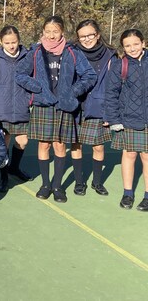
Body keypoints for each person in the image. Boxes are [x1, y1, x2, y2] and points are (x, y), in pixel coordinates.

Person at [16, 16, 96, 203]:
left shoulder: (72, 52)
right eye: (48, 31)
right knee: (44, 145)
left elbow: (89, 75)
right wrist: (37, 88)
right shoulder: (35, 51)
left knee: (60, 146)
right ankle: (45, 184)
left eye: (56, 31)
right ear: (43, 32)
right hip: (43, 104)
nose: (52, 35)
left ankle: (58, 186)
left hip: (64, 106)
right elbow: (20, 74)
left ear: (62, 33)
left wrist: (73, 92)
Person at [0, 26, 32, 192]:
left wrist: (29, 99)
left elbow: (34, 79)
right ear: (0, 42)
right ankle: (3, 176)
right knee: (3, 144)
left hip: (21, 108)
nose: (11, 46)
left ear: (19, 40)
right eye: (7, 43)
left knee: (23, 141)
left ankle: (14, 168)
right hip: (1, 110)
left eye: (14, 42)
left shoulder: (28, 56)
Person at [71, 20, 117, 196]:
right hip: (76, 106)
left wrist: (110, 112)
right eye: (82, 36)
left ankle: (97, 182)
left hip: (99, 106)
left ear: (97, 34)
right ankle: (79, 181)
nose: (87, 39)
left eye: (90, 35)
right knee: (77, 144)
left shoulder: (110, 55)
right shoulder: (72, 52)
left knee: (98, 146)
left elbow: (113, 86)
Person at [104, 29, 148, 210]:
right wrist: (114, 120)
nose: (132, 48)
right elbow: (111, 94)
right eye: (128, 45)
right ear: (123, 47)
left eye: (136, 44)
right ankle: (128, 193)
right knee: (129, 155)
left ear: (144, 43)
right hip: (128, 118)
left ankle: (147, 196)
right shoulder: (119, 65)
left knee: (147, 157)